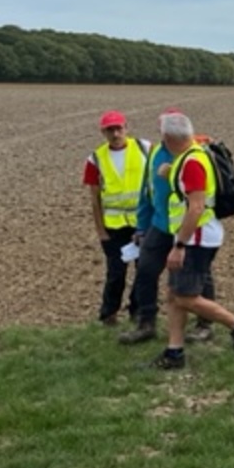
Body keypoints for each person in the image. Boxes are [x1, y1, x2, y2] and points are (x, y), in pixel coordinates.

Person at [151, 112, 234, 369]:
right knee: (174, 294)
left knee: (185, 297)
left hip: (195, 238)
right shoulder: (190, 154)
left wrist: (179, 246)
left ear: (167, 138)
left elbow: (196, 207)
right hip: (194, 236)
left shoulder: (192, 163)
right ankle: (174, 352)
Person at [119, 108, 216, 345]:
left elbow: (197, 192)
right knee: (145, 272)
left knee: (200, 276)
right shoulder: (155, 152)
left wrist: (172, 173)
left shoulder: (196, 152)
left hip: (189, 228)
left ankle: (205, 325)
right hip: (160, 224)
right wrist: (141, 227)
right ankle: (146, 324)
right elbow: (147, 191)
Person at [83, 111, 148, 327]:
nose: (115, 133)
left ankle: (138, 311)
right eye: (110, 130)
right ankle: (108, 314)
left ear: (126, 127)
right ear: (103, 132)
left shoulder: (145, 148)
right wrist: (100, 231)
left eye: (119, 128)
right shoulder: (95, 159)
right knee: (116, 273)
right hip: (114, 227)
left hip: (142, 223)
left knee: (144, 271)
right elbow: (95, 199)